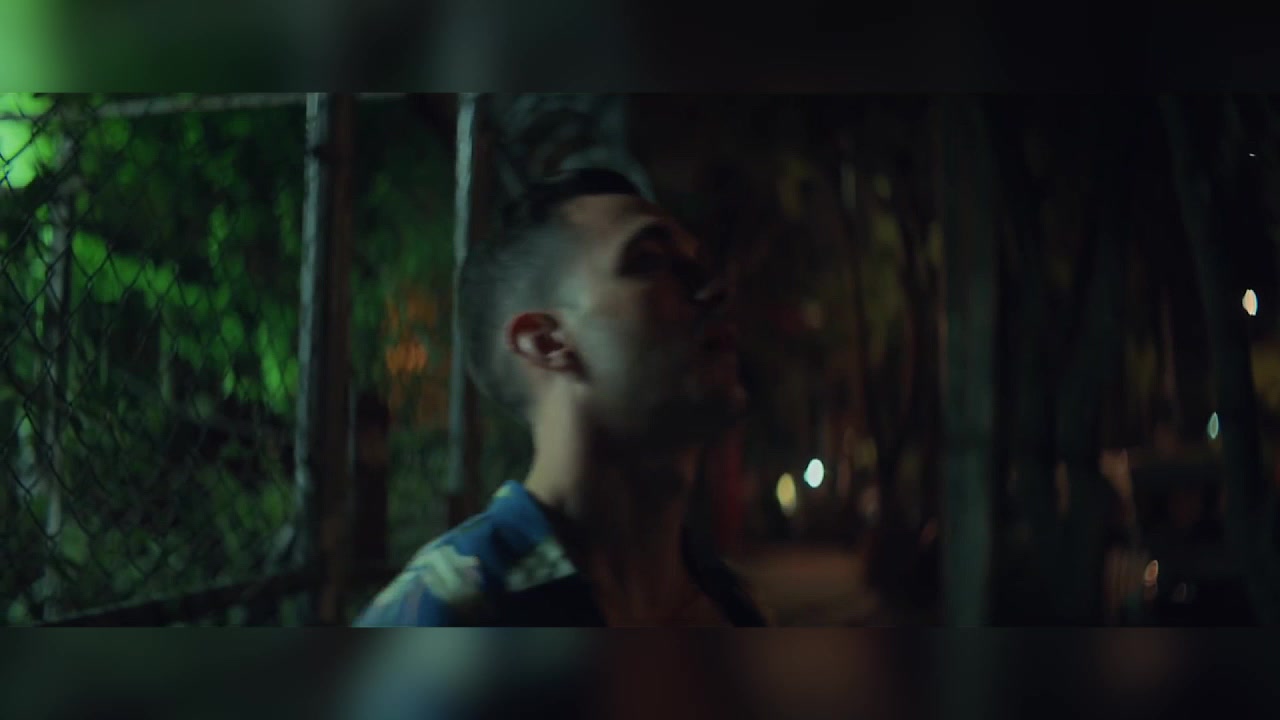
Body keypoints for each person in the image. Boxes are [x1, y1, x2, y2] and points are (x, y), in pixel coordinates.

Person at [355, 168, 769, 627]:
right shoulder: (442, 616)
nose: (714, 288)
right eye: (649, 260)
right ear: (546, 342)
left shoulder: (733, 605)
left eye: (696, 261)